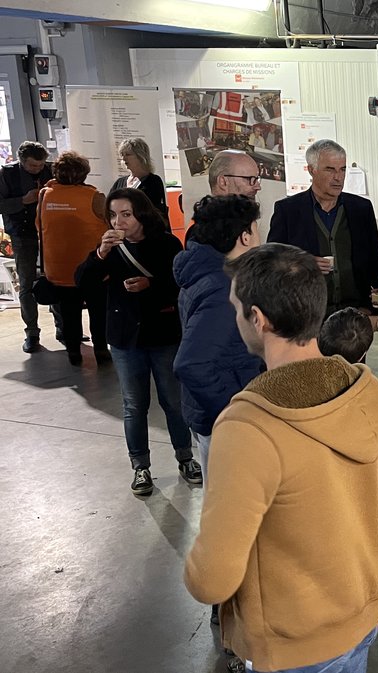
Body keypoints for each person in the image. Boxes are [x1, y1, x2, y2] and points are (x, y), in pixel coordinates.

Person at [184, 243, 378, 673]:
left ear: (258, 318)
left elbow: (213, 579)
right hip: (361, 616)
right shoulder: (369, 391)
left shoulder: (247, 427)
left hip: (294, 644)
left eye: (235, 307)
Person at [77, 189, 198, 495]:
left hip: (162, 334)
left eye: (126, 214)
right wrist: (99, 255)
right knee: (134, 404)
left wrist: (150, 284)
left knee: (173, 401)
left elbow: (180, 286)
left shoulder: (167, 243)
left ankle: (185, 457)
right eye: (113, 215)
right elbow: (83, 282)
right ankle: (140, 467)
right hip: (124, 337)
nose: (119, 221)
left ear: (141, 215)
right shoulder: (109, 248)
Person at [174, 195, 264, 476]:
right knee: (233, 511)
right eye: (256, 227)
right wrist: (234, 411)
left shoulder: (207, 272)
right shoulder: (221, 288)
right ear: (245, 236)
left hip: (217, 416)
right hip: (225, 423)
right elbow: (191, 364)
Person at [268, 139, 378, 316]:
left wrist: (368, 307)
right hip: (307, 315)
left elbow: (375, 261)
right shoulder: (288, 211)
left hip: (355, 313)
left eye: (342, 169)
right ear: (311, 170)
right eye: (330, 169)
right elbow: (271, 262)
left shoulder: (361, 208)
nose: (338, 177)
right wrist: (302, 264)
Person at [34, 151, 109, 366]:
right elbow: (108, 224)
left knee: (69, 311)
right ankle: (101, 349)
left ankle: (74, 352)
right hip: (90, 266)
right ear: (84, 174)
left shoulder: (45, 194)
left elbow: (39, 226)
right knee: (97, 310)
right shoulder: (94, 197)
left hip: (59, 267)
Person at [0, 141, 57, 352]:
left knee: (56, 277)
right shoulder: (7, 174)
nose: (37, 169)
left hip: (50, 233)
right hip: (22, 233)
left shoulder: (51, 169)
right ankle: (32, 332)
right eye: (33, 166)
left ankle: (63, 328)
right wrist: (22, 200)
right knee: (26, 282)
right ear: (22, 161)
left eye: (40, 165)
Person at [110, 138, 168, 219]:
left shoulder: (153, 181)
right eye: (122, 155)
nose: (123, 158)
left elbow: (153, 211)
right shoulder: (120, 182)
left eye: (128, 154)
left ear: (140, 156)